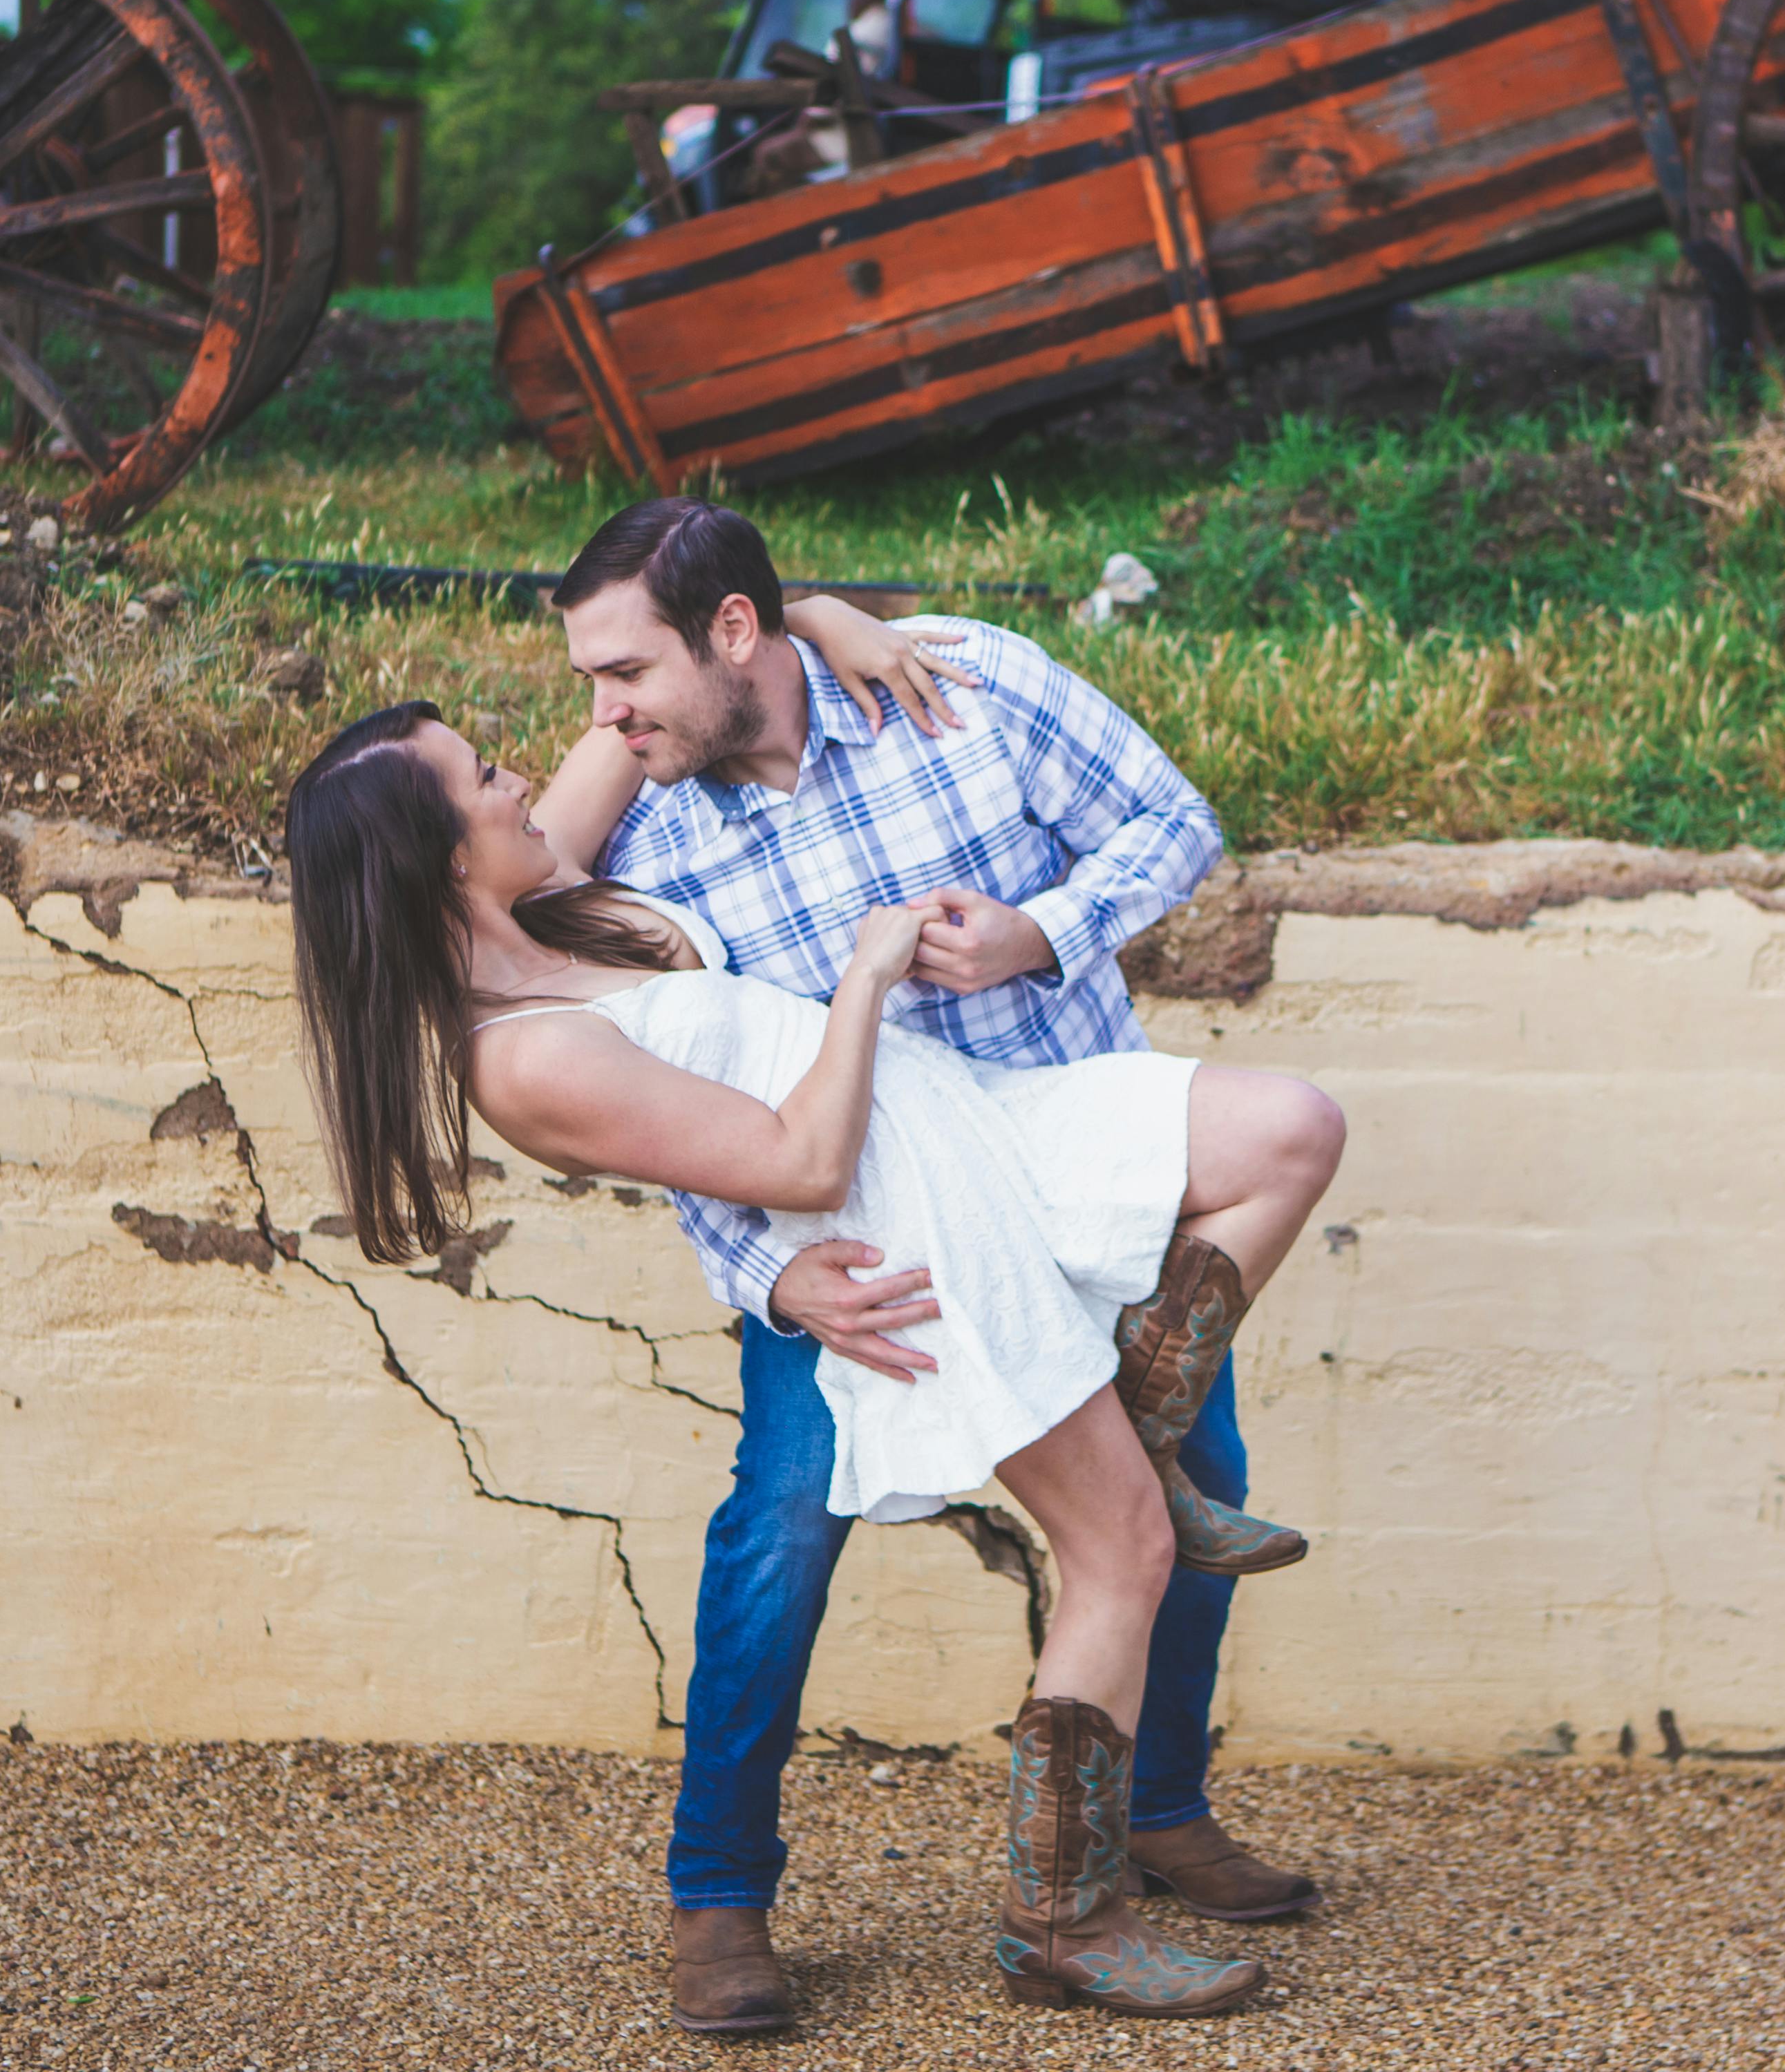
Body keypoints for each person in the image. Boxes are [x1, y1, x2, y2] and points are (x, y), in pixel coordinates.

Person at [549, 499, 1325, 2031]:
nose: (601, 712)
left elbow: (1172, 824)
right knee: (778, 1529)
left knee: (1191, 1470)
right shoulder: (641, 836)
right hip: (859, 1249)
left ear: (733, 631)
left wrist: (1046, 931)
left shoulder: (964, 686)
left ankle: (1154, 1809)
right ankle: (721, 1896)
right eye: (587, 683)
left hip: (1073, 1173)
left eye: (622, 669)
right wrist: (771, 1284)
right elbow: (669, 1105)